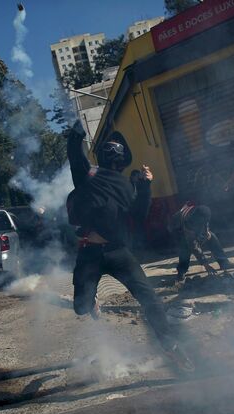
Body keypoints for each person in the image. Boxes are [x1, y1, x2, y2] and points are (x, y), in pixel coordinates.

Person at [66, 120, 194, 372]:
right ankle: (90, 302)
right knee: (80, 308)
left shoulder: (126, 184)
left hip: (117, 252)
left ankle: (171, 346)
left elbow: (138, 214)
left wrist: (145, 185)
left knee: (150, 299)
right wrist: (77, 130)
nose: (114, 158)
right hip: (89, 253)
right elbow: (74, 154)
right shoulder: (86, 175)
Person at [168, 203, 234, 282]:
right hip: (177, 228)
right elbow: (194, 245)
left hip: (191, 223)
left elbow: (206, 223)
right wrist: (206, 265)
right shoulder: (188, 221)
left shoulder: (202, 212)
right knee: (185, 247)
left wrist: (207, 232)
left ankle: (224, 263)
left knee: (212, 237)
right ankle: (181, 272)